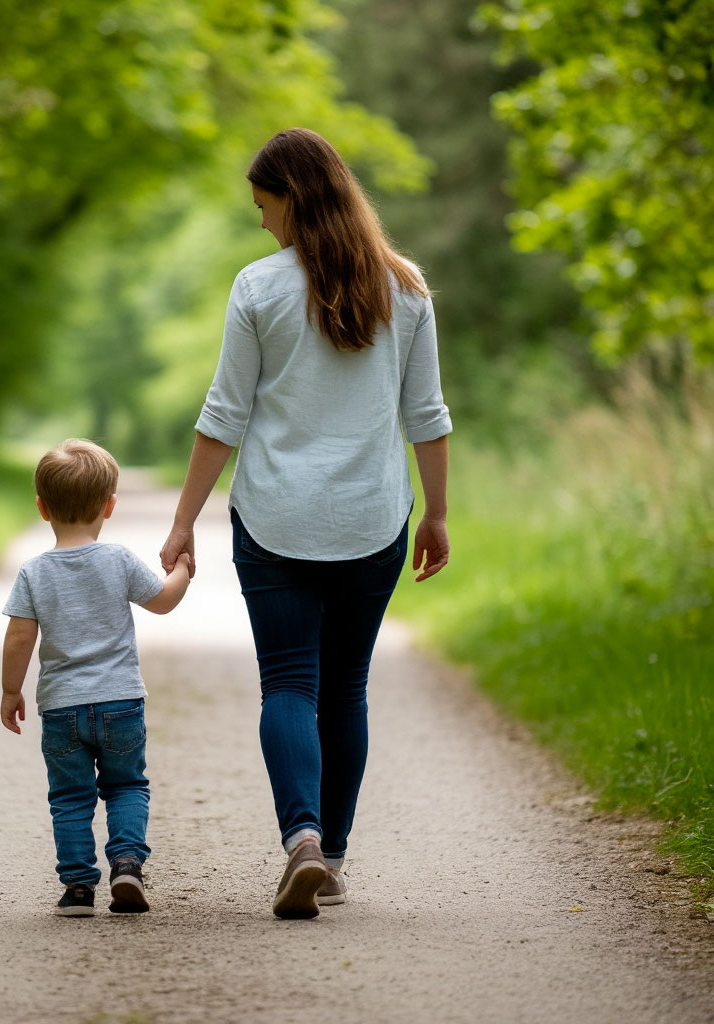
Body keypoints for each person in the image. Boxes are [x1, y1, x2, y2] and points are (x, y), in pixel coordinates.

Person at [159, 128, 452, 920]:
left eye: (264, 205)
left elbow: (223, 416)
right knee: (345, 687)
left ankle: (303, 843)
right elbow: (427, 417)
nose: (261, 223)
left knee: (289, 681)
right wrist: (438, 513)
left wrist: (184, 521)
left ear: (294, 196)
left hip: (276, 515)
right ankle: (338, 858)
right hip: (375, 517)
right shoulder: (408, 288)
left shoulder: (258, 288)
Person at [1, 438, 192, 917]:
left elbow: (19, 638)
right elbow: (163, 600)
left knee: (69, 796)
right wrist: (184, 569)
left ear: (42, 508)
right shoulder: (118, 560)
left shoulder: (33, 573)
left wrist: (10, 690)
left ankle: (78, 889)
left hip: (62, 708)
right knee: (126, 785)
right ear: (109, 505)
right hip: (120, 702)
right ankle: (127, 864)